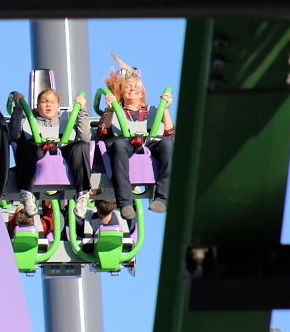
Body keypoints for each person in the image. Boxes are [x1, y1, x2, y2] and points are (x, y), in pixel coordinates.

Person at [96, 52, 174, 220]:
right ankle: (125, 202)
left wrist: (165, 109)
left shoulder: (153, 111)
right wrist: (111, 109)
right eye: (128, 87)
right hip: (124, 143)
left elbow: (169, 134)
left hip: (148, 143)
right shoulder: (116, 111)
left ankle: (162, 197)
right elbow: (102, 134)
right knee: (118, 145)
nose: (131, 89)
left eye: (135, 87)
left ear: (142, 93)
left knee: (168, 145)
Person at [9, 88, 92, 219]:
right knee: (25, 146)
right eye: (44, 101)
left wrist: (81, 110)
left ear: (58, 106)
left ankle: (82, 194)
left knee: (81, 146)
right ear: (37, 106)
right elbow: (13, 135)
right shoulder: (28, 119)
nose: (48, 105)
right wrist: (19, 109)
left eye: (53, 102)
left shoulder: (67, 120)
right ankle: (26, 194)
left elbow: (86, 137)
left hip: (62, 149)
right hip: (37, 149)